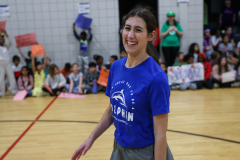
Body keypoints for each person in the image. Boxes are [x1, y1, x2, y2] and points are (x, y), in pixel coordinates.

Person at [72, 5, 174, 160]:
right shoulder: (115, 67)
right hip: (119, 149)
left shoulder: (157, 78)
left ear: (150, 35)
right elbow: (112, 109)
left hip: (145, 153)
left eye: (138, 30)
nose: (130, 35)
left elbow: (160, 134)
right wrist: (91, 138)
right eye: (127, 28)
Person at [0, 30, 18, 96]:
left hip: (7, 63)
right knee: (1, 78)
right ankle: (1, 92)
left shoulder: (6, 46)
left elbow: (10, 42)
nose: (2, 40)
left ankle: (14, 90)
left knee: (11, 76)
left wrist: (7, 36)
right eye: (0, 39)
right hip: (0, 64)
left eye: (3, 39)